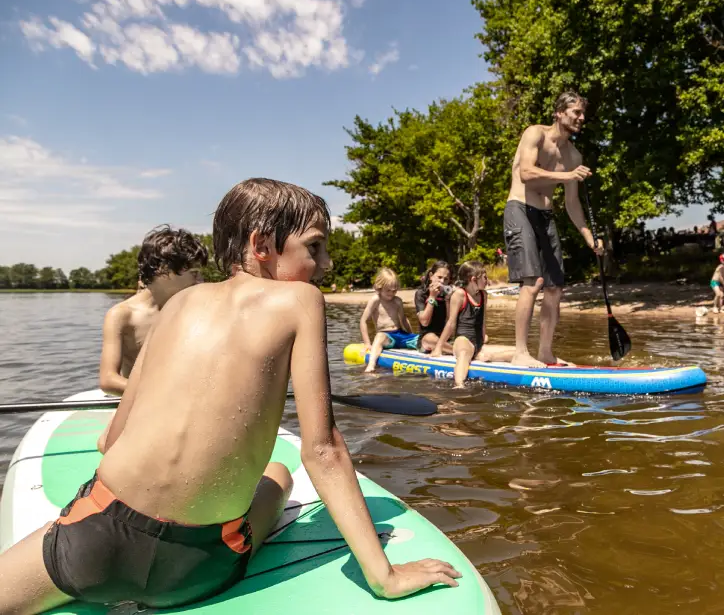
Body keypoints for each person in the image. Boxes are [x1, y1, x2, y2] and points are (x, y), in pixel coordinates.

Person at [0, 178, 460, 613]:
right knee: (278, 472)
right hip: (197, 564)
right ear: (261, 246)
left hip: (94, 538)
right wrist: (385, 577)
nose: (327, 265)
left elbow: (111, 440)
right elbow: (322, 450)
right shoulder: (300, 299)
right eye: (315, 247)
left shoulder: (179, 303)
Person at [504, 91, 603, 368]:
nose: (581, 118)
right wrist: (567, 176)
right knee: (533, 281)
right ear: (559, 113)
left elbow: (571, 204)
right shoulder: (535, 134)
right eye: (576, 113)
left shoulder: (573, 155)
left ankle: (545, 353)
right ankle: (520, 353)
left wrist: (589, 237)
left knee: (555, 288)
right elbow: (526, 172)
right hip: (520, 209)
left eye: (583, 114)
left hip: (546, 217)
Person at [96, 226, 208, 453]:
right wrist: (161, 394)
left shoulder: (188, 309)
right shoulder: (122, 315)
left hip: (180, 403)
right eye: (194, 274)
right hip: (138, 402)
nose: (201, 281)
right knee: (106, 446)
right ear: (164, 271)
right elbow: (108, 380)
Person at [431, 260, 516, 388]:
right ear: (473, 279)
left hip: (478, 342)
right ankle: (459, 384)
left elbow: (483, 320)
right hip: (463, 340)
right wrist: (438, 347)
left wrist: (482, 339)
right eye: (484, 277)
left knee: (516, 351)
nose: (487, 281)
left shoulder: (483, 295)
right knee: (465, 353)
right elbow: (451, 323)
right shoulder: (459, 294)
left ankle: (485, 356)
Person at [360, 267, 417, 373]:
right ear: (379, 287)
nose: (391, 293)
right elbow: (363, 321)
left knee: (425, 339)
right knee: (380, 336)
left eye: (394, 290)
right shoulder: (376, 300)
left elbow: (404, 320)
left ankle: (449, 351)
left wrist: (411, 336)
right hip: (387, 337)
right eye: (388, 290)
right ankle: (371, 365)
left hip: (401, 335)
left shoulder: (398, 301)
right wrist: (367, 343)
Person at [414, 260, 453, 354]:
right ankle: (457, 351)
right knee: (430, 337)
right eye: (439, 277)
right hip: (427, 340)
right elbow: (424, 322)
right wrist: (432, 297)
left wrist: (448, 300)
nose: (442, 281)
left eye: (446, 279)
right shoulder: (421, 294)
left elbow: (451, 322)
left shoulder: (449, 295)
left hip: (446, 338)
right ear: (431, 276)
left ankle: (451, 348)